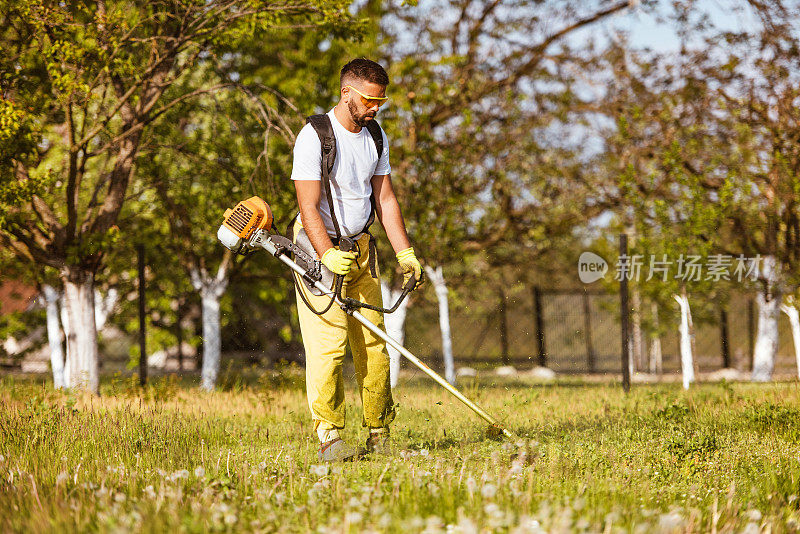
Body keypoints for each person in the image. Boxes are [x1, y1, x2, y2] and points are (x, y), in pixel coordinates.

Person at [290, 58, 424, 462]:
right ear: (347, 92)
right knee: (328, 348)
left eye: (381, 102)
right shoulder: (315, 137)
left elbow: (384, 198)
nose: (375, 108)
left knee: (374, 344)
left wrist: (405, 251)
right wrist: (326, 253)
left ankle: (378, 432)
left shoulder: (376, 136)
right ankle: (329, 436)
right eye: (369, 100)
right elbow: (308, 205)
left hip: (361, 250)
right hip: (318, 251)